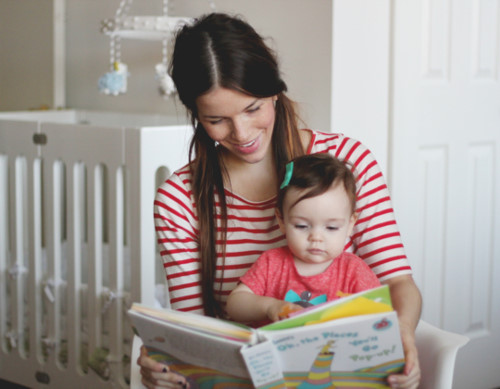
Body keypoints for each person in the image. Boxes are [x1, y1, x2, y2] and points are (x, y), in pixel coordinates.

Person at [138, 12, 421, 389]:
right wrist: (167, 359)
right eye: (217, 119)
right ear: (196, 115)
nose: (241, 133)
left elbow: (398, 283)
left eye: (253, 108)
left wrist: (400, 333)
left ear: (274, 89)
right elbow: (194, 327)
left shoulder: (347, 165)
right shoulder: (179, 199)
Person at [226, 153, 382, 324]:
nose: (316, 238)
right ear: (282, 220)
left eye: (331, 227)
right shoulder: (272, 263)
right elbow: (235, 304)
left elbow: (380, 314)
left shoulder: (354, 271)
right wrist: (270, 307)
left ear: (350, 224)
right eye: (301, 226)